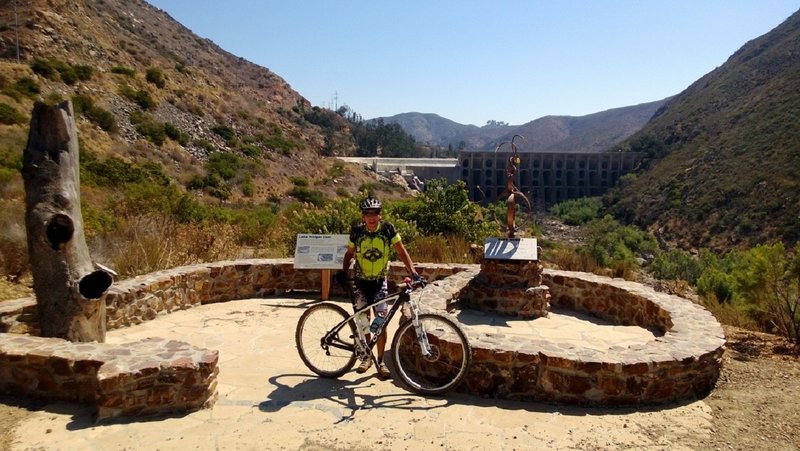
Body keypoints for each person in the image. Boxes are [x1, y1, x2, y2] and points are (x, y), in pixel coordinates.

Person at [340, 195, 420, 379]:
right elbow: (350, 253)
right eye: (368, 213)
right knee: (365, 322)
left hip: (379, 282)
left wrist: (413, 272)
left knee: (381, 323)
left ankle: (381, 360)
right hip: (360, 282)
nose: (371, 216)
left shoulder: (387, 229)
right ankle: (366, 357)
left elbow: (401, 251)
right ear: (363, 216)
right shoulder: (357, 231)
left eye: (375, 213)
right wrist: (343, 272)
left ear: (380, 215)